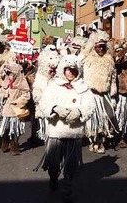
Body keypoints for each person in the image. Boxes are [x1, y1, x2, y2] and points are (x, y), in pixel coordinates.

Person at [38, 55, 94, 203]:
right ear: (63, 69)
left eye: (73, 70)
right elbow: (44, 103)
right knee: (53, 162)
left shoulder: (84, 88)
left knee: (71, 164)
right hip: (56, 131)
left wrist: (79, 112)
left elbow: (90, 106)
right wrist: (55, 108)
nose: (70, 73)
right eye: (67, 70)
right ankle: (53, 176)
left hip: (74, 133)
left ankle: (67, 187)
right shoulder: (53, 85)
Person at [83, 30, 117, 154]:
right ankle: (94, 141)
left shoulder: (109, 59)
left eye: (103, 46)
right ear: (94, 46)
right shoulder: (87, 59)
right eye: (98, 46)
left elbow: (113, 77)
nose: (101, 49)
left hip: (105, 95)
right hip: (91, 94)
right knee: (92, 120)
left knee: (108, 116)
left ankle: (101, 140)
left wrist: (113, 94)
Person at [0, 62, 31, 155]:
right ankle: (5, 142)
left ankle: (14, 146)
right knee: (5, 128)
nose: (10, 76)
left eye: (12, 74)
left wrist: (18, 101)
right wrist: (4, 95)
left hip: (17, 110)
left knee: (15, 130)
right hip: (7, 109)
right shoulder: (6, 81)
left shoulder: (22, 83)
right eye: (9, 74)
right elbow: (1, 91)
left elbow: (27, 95)